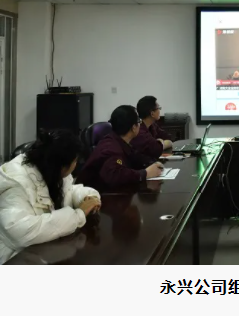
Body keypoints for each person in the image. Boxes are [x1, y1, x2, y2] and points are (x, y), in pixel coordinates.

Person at [0, 130, 101, 264]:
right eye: (75, 161)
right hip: (15, 258)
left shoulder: (51, 168)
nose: (76, 165)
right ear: (63, 166)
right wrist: (78, 215)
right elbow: (21, 233)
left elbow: (69, 190)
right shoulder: (15, 182)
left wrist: (86, 197)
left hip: (48, 252)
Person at [77, 105, 164, 192]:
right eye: (139, 121)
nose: (140, 125)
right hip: (95, 196)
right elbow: (115, 175)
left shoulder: (119, 142)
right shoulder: (111, 148)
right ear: (134, 127)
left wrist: (150, 163)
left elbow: (134, 157)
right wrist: (145, 173)